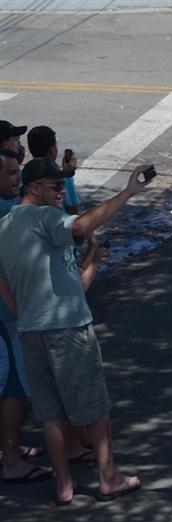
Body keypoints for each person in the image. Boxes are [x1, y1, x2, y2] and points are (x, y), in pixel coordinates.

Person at [0, 158, 153, 505]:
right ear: (35, 188)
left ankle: (64, 485)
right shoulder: (44, 217)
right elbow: (82, 225)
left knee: (50, 413)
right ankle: (108, 478)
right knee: (95, 407)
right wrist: (127, 192)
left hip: (30, 330)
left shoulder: (4, 226)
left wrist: (23, 314)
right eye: (55, 187)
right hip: (67, 327)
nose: (60, 193)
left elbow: (3, 284)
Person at [0, 148, 52, 484]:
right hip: (7, 316)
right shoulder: (6, 214)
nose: (17, 178)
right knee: (14, 387)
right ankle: (11, 459)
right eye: (10, 173)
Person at [27, 125, 80, 213]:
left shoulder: (23, 175)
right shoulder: (61, 180)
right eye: (55, 145)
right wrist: (68, 176)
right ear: (51, 150)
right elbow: (73, 211)